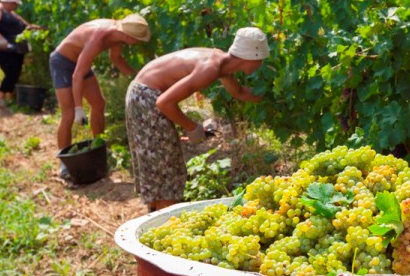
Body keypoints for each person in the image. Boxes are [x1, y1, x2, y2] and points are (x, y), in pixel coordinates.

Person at [125, 26, 269, 212]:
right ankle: (165, 223)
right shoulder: (210, 68)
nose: (262, 64)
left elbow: (239, 92)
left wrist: (272, 98)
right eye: (261, 60)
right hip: (146, 97)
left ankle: (156, 216)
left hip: (143, 94)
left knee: (161, 161)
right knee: (165, 164)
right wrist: (193, 128)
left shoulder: (222, 63)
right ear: (251, 57)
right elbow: (164, 103)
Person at [50, 13, 151, 177]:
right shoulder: (98, 37)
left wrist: (138, 78)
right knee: (68, 114)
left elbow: (116, 58)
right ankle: (63, 162)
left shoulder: (118, 36)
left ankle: (98, 147)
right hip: (62, 63)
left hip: (80, 64)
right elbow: (77, 75)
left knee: (99, 104)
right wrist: (78, 108)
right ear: (128, 35)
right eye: (138, 39)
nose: (139, 42)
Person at [0, 0, 40, 106]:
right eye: (14, 3)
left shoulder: (12, 13)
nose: (16, 6)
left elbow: (26, 26)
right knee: (11, 72)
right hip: (1, 48)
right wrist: (0, 39)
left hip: (15, 48)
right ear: (8, 1)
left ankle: (8, 96)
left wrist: (37, 28)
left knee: (15, 72)